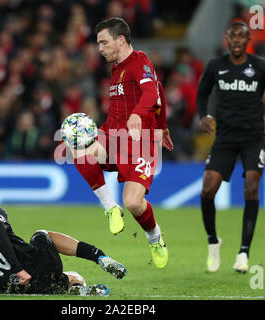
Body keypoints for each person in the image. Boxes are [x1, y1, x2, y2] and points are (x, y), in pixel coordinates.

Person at [71, 17, 173, 269]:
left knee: (134, 203)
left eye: (103, 42)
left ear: (120, 40)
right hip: (112, 135)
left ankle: (155, 238)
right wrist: (163, 125)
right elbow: (158, 89)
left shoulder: (139, 61)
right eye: (98, 43)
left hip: (139, 143)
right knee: (78, 148)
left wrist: (146, 119)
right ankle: (109, 207)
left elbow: (153, 91)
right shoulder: (116, 67)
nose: (100, 48)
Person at [197, 21, 265, 273]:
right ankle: (213, 242)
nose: (236, 40)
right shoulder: (216, 66)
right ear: (227, 39)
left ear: (248, 40)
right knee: (207, 189)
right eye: (232, 36)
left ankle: (243, 253)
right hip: (224, 137)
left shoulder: (260, 66)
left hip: (253, 137)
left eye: (241, 36)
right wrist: (203, 115)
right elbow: (202, 92)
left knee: (251, 187)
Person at [0, 184, 126, 295]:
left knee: (67, 279)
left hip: (11, 289)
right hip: (34, 270)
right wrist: (19, 269)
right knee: (41, 235)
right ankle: (99, 257)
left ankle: (71, 287)